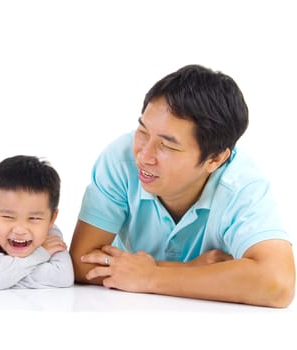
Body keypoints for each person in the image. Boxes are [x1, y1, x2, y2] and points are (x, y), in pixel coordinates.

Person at [69, 64, 295, 308]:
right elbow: (80, 262)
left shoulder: (240, 185)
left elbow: (277, 283)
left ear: (215, 159)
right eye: (143, 131)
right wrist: (185, 270)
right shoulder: (121, 159)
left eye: (167, 146)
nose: (144, 155)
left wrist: (151, 276)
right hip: (123, 311)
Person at [0, 155, 74, 290]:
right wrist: (41, 254)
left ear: (52, 219)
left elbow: (63, 277)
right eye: (8, 216)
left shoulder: (51, 235)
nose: (20, 230)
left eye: (34, 218)